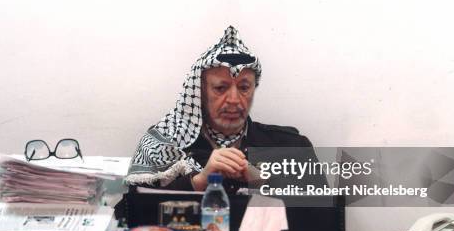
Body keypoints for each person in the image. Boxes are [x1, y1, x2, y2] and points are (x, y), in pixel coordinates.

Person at [125, 26, 319, 193]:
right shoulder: (162, 144)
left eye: (244, 88)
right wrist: (199, 181)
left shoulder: (290, 146)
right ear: (199, 92)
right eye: (220, 88)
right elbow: (130, 216)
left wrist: (262, 181)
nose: (234, 100)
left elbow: (326, 222)